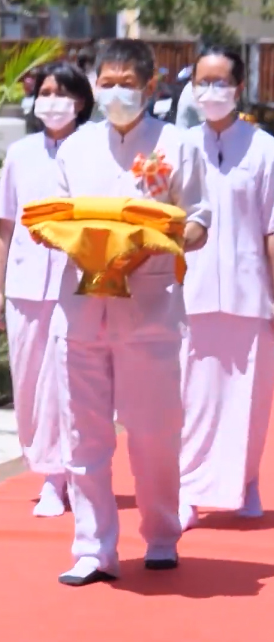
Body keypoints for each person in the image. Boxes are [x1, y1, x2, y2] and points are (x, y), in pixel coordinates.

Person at [50, 39, 210, 586]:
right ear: (95, 84)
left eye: (126, 82)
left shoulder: (178, 145)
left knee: (153, 432)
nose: (115, 91)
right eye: (107, 81)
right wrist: (78, 245)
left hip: (151, 310)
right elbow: (54, 218)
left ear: (149, 87)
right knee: (84, 434)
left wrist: (163, 238)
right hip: (82, 309)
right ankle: (95, 548)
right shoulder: (74, 149)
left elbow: (199, 221)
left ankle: (162, 533)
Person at [0, 61, 95, 519]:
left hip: (79, 285)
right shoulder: (21, 153)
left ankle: (62, 475)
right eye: (45, 91)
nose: (51, 100)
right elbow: (3, 227)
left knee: (68, 384)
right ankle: (46, 467)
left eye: (62, 92)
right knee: (29, 383)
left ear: (81, 101)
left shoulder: (93, 149)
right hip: (26, 286)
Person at [179, 45, 273, 528]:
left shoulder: (264, 148)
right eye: (203, 82)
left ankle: (247, 480)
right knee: (190, 396)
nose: (210, 91)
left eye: (220, 82)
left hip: (249, 290)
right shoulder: (176, 144)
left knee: (249, 397)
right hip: (187, 294)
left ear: (239, 88)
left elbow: (272, 228)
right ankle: (188, 491)